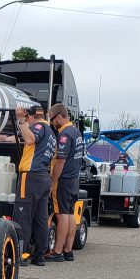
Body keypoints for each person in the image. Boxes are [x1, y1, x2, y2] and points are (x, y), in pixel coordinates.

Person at [12, 104, 56, 266]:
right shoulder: (51, 132)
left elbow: (30, 139)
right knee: (40, 219)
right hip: (44, 178)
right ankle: (39, 255)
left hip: (30, 176)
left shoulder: (36, 126)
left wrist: (21, 120)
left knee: (23, 217)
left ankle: (22, 254)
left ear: (30, 117)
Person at [43, 103, 84, 263]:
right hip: (74, 179)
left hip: (63, 180)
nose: (52, 123)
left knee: (60, 214)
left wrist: (52, 180)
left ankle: (57, 251)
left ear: (59, 116)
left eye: (52, 120)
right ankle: (68, 250)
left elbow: (60, 160)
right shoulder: (77, 132)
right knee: (69, 214)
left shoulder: (64, 134)